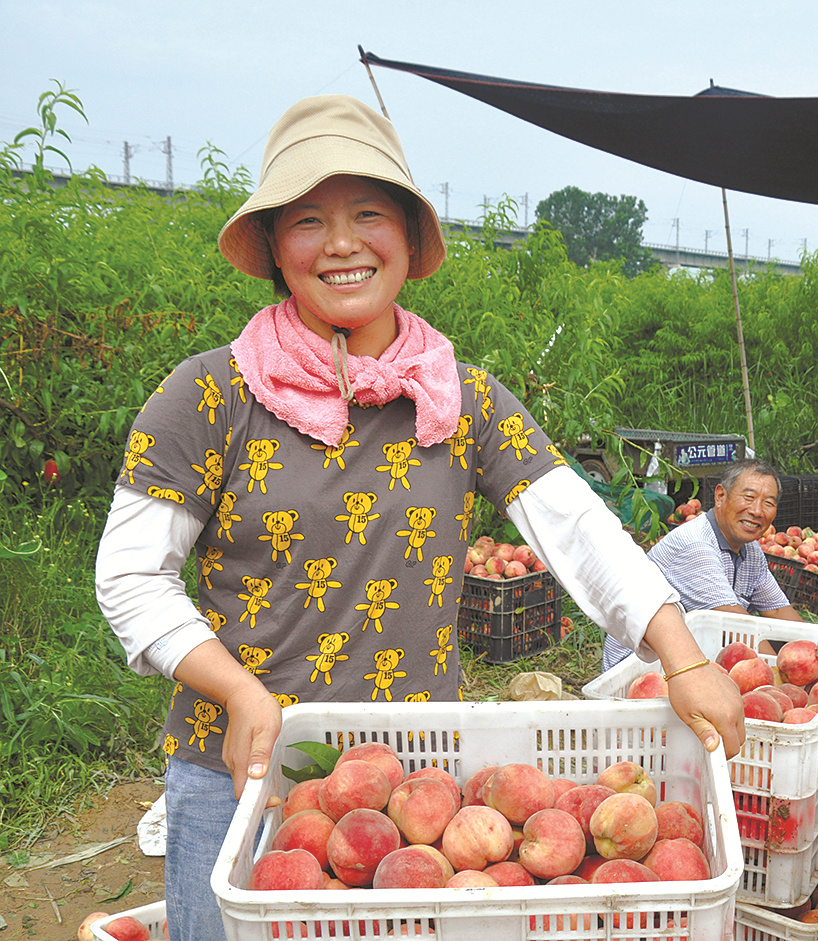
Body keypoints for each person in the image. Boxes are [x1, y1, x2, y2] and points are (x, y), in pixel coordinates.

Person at [93, 95, 744, 941]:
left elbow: (578, 529)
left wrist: (683, 654)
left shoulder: (459, 398)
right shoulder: (210, 395)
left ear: (405, 234)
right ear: (273, 250)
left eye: (368, 213)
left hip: (412, 786)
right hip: (239, 764)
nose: (340, 243)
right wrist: (237, 690)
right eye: (306, 221)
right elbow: (130, 574)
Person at [603, 459, 804, 671]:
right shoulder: (697, 546)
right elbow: (738, 628)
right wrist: (778, 676)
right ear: (720, 496)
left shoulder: (751, 551)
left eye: (768, 503)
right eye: (749, 497)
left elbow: (779, 613)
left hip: (685, 657)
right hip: (638, 667)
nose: (756, 510)